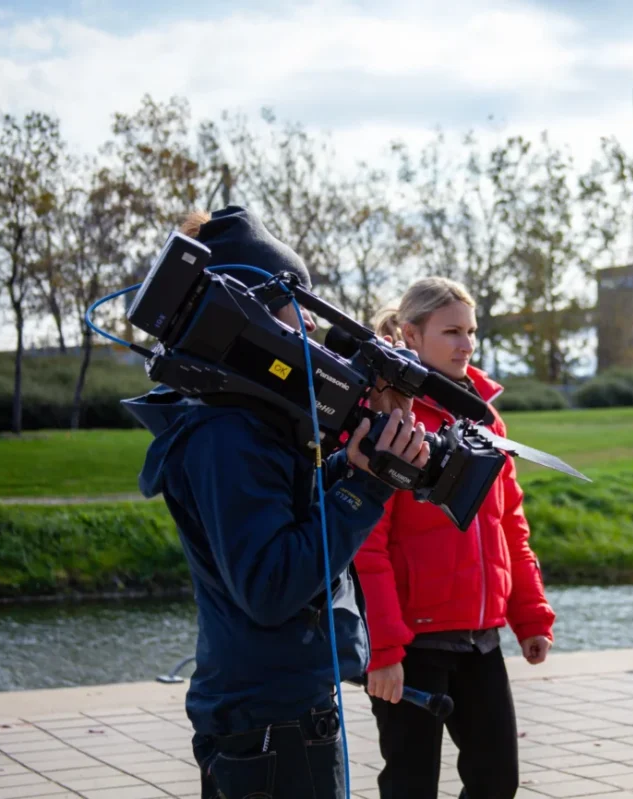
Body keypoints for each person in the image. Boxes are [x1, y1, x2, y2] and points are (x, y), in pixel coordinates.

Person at [124, 206, 430, 799]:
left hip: (281, 710)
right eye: (300, 313)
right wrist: (363, 488)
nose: (310, 333)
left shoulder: (244, 424)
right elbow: (271, 587)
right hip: (271, 724)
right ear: (251, 317)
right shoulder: (226, 435)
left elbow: (291, 523)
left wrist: (361, 458)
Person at [355, 276, 556, 799]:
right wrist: (384, 650)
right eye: (451, 332)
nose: (466, 344)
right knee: (410, 787)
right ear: (410, 334)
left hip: (481, 638)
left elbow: (509, 523)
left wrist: (529, 616)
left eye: (470, 332)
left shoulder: (487, 416)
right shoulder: (388, 414)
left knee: (496, 783)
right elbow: (366, 546)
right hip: (413, 644)